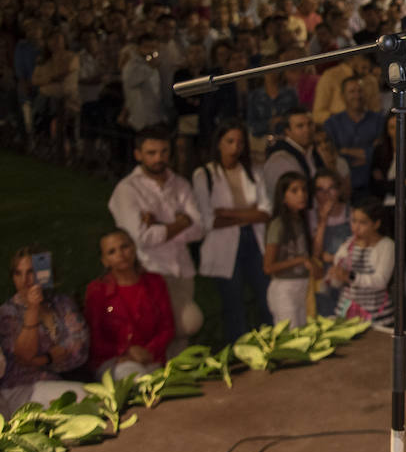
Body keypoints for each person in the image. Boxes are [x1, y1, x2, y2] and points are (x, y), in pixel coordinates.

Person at [107, 126, 205, 347]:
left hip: (182, 268)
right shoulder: (127, 190)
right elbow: (140, 238)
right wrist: (180, 223)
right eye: (151, 153)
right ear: (138, 154)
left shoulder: (180, 184)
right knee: (184, 322)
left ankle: (180, 374)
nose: (158, 158)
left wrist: (161, 225)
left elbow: (198, 228)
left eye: (163, 151)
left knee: (181, 339)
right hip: (152, 270)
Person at [192, 120, 271, 345]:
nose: (236, 147)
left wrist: (229, 213)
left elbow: (265, 212)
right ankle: (240, 348)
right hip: (225, 245)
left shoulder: (254, 172)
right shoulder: (204, 175)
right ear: (219, 144)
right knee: (233, 301)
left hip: (253, 240)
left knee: (266, 295)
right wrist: (249, 213)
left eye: (240, 142)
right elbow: (209, 220)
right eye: (230, 141)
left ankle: (271, 340)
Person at [0, 246, 89, 415]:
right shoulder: (7, 313)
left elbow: (78, 347)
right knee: (83, 397)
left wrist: (40, 360)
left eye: (31, 272)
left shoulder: (61, 303)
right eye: (18, 274)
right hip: (23, 388)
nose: (25, 280)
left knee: (88, 397)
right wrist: (33, 309)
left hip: (64, 379)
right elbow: (23, 357)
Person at [83, 228, 174, 380]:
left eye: (124, 247)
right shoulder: (97, 291)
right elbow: (93, 339)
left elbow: (167, 327)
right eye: (112, 252)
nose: (120, 254)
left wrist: (149, 351)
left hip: (151, 358)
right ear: (104, 260)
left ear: (133, 248)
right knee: (138, 379)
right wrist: (126, 351)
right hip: (114, 361)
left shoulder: (155, 282)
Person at [262, 171, 320, 328]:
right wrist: (300, 260)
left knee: (303, 334)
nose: (301, 195)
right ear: (283, 197)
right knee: (290, 340)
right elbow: (268, 267)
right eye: (294, 191)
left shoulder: (301, 220)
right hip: (284, 288)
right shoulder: (278, 224)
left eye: (304, 190)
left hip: (302, 286)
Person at [326, 203, 395, 327]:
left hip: (376, 316)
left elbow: (380, 281)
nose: (356, 227)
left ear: (376, 224)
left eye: (363, 222)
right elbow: (337, 283)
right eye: (354, 221)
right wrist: (335, 275)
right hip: (346, 313)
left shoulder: (387, 245)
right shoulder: (348, 244)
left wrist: (350, 276)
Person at [323, 76, 386, 197]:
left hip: (373, 185)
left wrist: (345, 150)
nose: (357, 95)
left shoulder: (379, 120)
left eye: (360, 91)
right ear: (342, 96)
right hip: (342, 186)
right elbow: (333, 155)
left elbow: (380, 153)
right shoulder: (331, 123)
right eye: (352, 91)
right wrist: (367, 153)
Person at [309, 170, 353, 319]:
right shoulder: (311, 216)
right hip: (323, 278)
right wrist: (322, 221)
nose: (326, 194)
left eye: (331, 188)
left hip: (346, 274)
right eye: (320, 190)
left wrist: (335, 258)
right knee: (326, 317)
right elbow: (315, 254)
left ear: (338, 190)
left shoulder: (351, 213)